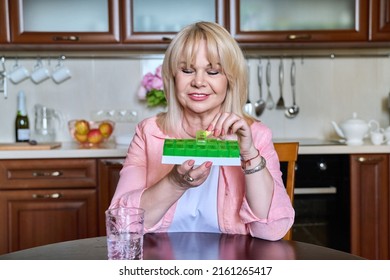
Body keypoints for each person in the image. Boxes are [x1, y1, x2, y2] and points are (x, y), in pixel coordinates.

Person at [109, 21, 294, 241]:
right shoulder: (149, 133)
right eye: (187, 70)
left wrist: (249, 155)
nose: (198, 81)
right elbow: (121, 224)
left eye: (213, 71)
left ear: (230, 80)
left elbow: (271, 231)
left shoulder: (257, 135)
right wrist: (175, 182)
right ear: (173, 78)